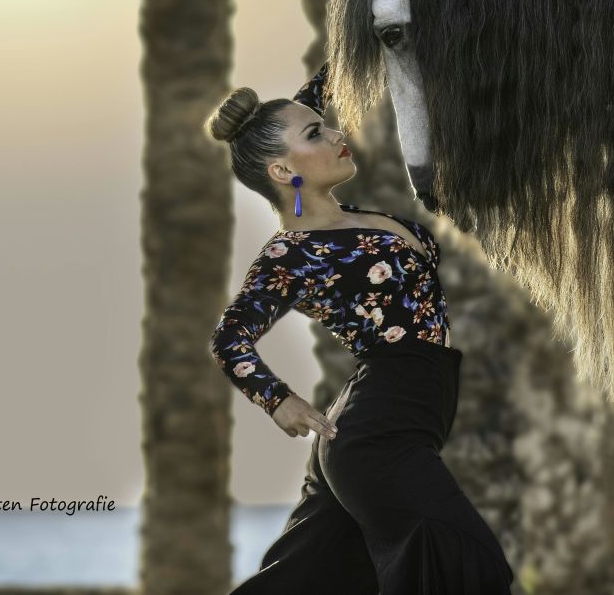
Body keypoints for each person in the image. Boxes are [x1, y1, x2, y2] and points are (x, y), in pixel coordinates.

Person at [206, 64, 517, 595]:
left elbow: (336, 70)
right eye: (315, 135)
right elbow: (229, 338)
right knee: (466, 564)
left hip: (383, 424)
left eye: (323, 125)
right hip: (379, 434)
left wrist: (373, 20)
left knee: (300, 584)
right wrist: (278, 400)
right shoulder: (292, 254)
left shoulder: (345, 219)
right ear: (283, 172)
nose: (335, 133)